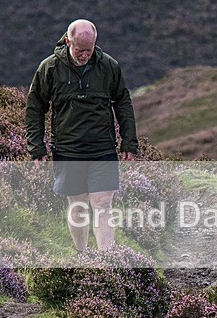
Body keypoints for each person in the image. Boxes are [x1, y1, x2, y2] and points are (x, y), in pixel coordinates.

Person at [26, 19, 138, 252]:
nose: (85, 54)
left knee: (103, 204)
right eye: (80, 50)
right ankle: (82, 255)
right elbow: (35, 106)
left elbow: (123, 103)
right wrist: (36, 146)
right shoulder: (49, 68)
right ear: (68, 42)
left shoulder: (108, 66)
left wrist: (129, 140)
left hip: (102, 149)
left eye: (89, 49)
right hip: (68, 150)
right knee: (78, 206)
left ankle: (107, 261)